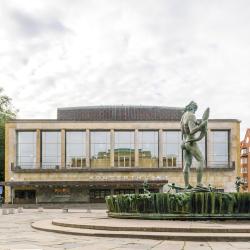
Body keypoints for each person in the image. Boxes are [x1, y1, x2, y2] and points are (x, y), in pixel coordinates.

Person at [181, 101, 207, 189]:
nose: (195, 112)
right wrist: (201, 126)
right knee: (201, 160)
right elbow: (192, 130)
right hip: (191, 141)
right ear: (193, 108)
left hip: (185, 142)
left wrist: (197, 123)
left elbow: (184, 130)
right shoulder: (191, 115)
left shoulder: (183, 116)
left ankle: (186, 185)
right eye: (195, 109)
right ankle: (199, 183)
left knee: (187, 163)